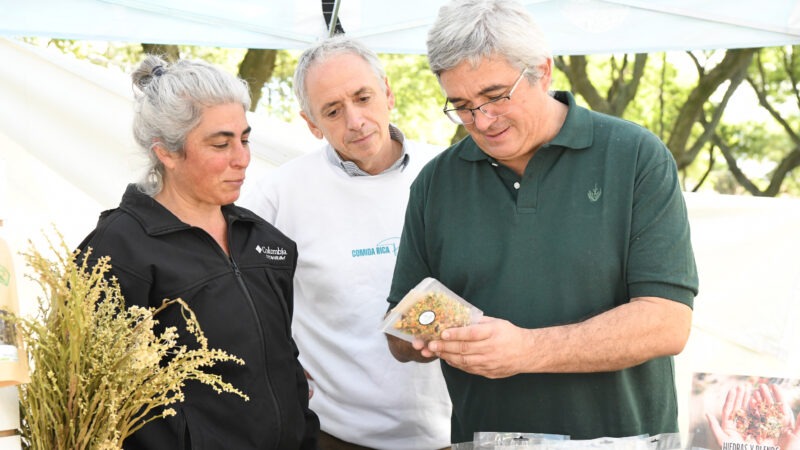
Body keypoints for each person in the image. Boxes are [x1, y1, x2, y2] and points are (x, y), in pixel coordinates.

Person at [385, 0, 699, 444]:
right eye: (462, 105)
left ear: (542, 71)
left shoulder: (635, 156)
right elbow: (400, 328)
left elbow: (666, 322)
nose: (481, 120)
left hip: (624, 441)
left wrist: (526, 350)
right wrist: (428, 334)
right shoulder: (436, 182)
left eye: (495, 96)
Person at [78, 55, 319, 450]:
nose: (242, 158)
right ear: (167, 153)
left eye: (244, 139)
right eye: (221, 144)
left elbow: (284, 361)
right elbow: (87, 397)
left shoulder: (266, 241)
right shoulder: (118, 249)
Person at [240, 35, 451, 450]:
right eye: (333, 111)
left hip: (456, 430)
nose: (355, 120)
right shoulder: (278, 194)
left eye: (363, 97)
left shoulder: (447, 173)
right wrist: (271, 361)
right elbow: (231, 289)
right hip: (334, 434)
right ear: (311, 123)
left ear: (388, 93)